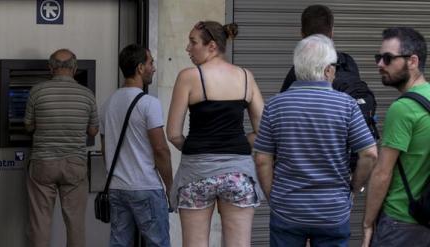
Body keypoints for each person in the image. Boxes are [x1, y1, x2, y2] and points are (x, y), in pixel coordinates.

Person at [254, 34, 378, 247]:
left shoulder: (275, 105)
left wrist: (274, 199)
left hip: (287, 209)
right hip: (333, 211)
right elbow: (370, 154)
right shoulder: (347, 105)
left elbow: (262, 160)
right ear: (328, 69)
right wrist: (353, 189)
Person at [166, 21, 264, 247]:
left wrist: (198, 146)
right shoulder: (245, 77)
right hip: (238, 174)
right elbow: (263, 129)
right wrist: (240, 142)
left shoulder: (188, 77)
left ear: (211, 46)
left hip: (196, 174)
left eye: (193, 42)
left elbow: (173, 134)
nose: (187, 48)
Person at [362, 27, 430, 247]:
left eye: (388, 58)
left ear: (412, 61)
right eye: (378, 57)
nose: (380, 64)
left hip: (401, 222)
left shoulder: (403, 109)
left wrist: (367, 223)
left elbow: (382, 172)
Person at [24, 49, 99, 247]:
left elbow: (28, 126)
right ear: (74, 69)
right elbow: (93, 131)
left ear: (51, 68)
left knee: (40, 222)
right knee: (75, 224)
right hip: (75, 164)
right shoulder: (87, 94)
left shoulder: (37, 91)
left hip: (43, 163)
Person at [100, 44, 173, 247]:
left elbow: (105, 149)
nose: (154, 68)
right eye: (151, 63)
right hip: (146, 187)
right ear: (140, 68)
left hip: (116, 187)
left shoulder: (108, 104)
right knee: (157, 243)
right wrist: (170, 187)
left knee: (119, 243)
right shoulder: (149, 103)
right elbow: (160, 149)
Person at [280, 4, 379, 144]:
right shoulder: (347, 62)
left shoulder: (297, 71)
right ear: (332, 32)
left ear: (301, 34)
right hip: (348, 155)